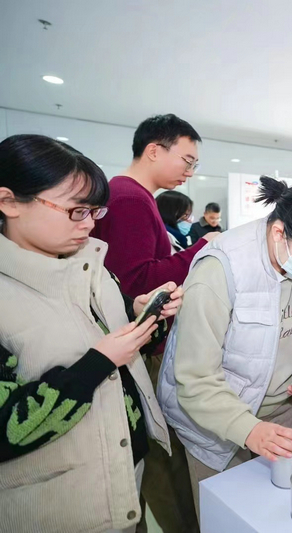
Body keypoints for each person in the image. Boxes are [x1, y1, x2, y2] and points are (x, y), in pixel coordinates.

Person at [0, 134, 183, 533]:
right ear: (9, 202)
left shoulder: (93, 265)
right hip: (56, 506)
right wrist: (97, 364)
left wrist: (143, 315)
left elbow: (122, 346)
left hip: (124, 476)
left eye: (94, 212)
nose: (89, 225)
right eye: (76, 211)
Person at [158, 176, 292, 512]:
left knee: (275, 513)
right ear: (278, 232)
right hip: (218, 425)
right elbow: (195, 378)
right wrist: (248, 430)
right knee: (230, 516)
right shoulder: (220, 269)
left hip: (281, 414)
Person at [91, 114, 212, 533]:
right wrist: (201, 248)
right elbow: (139, 282)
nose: (190, 172)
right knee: (162, 455)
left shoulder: (133, 196)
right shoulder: (129, 198)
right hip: (141, 348)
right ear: (154, 150)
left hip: (142, 344)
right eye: (187, 160)